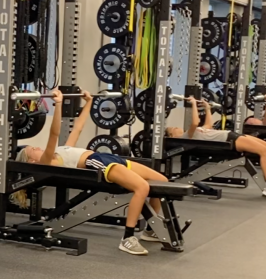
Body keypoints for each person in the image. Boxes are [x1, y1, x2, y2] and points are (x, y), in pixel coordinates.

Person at [15, 89, 169, 255]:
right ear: (32, 161)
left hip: (108, 157)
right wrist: (58, 104)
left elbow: (78, 129)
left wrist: (88, 102)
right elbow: (54, 133)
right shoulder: (47, 161)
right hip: (96, 163)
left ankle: (150, 229)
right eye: (33, 149)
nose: (37, 147)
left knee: (162, 181)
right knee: (142, 188)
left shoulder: (60, 150)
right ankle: (128, 238)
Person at [167, 97, 266, 202]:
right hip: (228, 139)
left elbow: (208, 125)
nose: (175, 127)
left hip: (231, 135)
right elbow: (195, 122)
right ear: (173, 135)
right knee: (264, 152)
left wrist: (207, 108)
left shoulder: (195, 132)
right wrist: (193, 104)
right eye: (173, 128)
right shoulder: (186, 136)